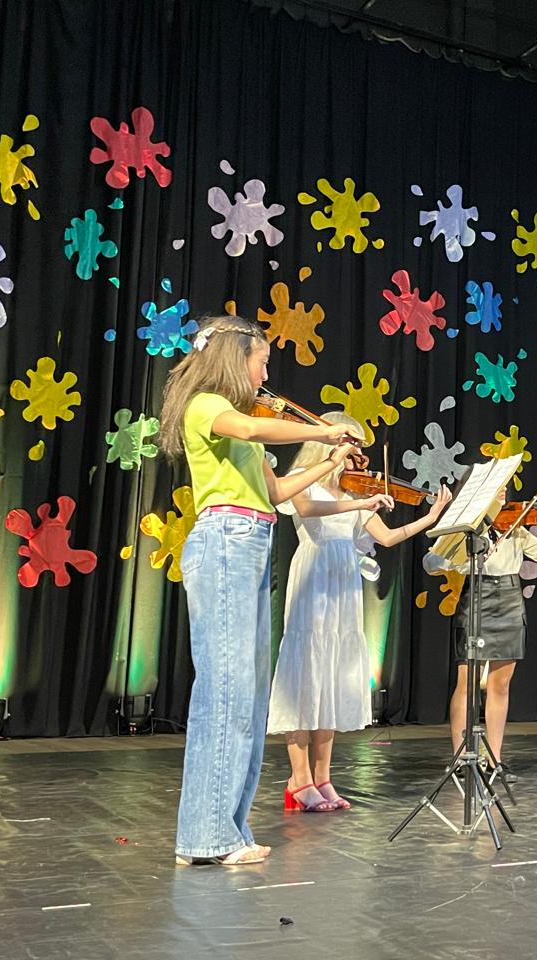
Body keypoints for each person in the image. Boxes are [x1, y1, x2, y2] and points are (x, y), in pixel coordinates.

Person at [159, 316, 363, 866]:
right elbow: (250, 430)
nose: (266, 374)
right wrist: (320, 431)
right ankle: (207, 837)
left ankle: (223, 830)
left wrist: (331, 461)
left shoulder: (242, 426)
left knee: (246, 696)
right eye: (262, 362)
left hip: (250, 541)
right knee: (225, 692)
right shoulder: (208, 405)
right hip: (226, 539)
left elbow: (276, 492)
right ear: (235, 358)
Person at [269, 412, 452, 813]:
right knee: (306, 674)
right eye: (351, 444)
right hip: (314, 572)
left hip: (344, 579)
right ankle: (298, 779)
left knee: (332, 675)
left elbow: (386, 537)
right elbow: (306, 507)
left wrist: (429, 517)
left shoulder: (353, 489)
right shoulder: (303, 476)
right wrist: (360, 501)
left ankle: (323, 777)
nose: (358, 455)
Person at [426, 489, 537, 781]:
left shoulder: (514, 523)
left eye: (505, 488)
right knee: (467, 683)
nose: (503, 493)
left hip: (510, 597)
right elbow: (431, 561)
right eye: (498, 487)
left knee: (501, 684)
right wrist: (458, 558)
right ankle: (461, 757)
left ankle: (495, 758)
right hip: (477, 594)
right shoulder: (466, 522)